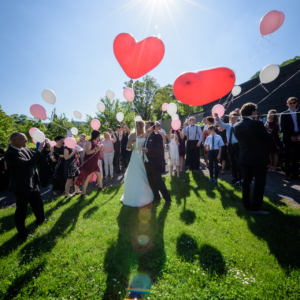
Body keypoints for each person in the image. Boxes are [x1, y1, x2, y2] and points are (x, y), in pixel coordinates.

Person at [233, 103, 273, 215]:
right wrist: (266, 129)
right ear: (252, 112)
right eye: (255, 112)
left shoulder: (236, 125)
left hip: (244, 158)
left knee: (246, 183)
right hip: (258, 159)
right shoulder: (257, 124)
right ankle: (255, 208)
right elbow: (268, 137)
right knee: (259, 183)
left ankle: (246, 205)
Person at [4, 132, 45, 239]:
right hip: (22, 186)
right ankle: (22, 233)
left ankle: (41, 219)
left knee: (38, 203)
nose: (26, 141)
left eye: (26, 139)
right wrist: (39, 151)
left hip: (32, 182)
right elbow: (28, 163)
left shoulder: (25, 148)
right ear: (14, 141)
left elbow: (36, 156)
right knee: (22, 210)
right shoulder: (10, 154)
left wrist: (44, 147)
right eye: (24, 139)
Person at [120, 120, 154, 207]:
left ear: (142, 126)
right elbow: (128, 147)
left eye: (137, 126)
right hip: (135, 156)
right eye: (135, 126)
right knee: (134, 175)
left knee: (144, 174)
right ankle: (133, 195)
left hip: (144, 156)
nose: (136, 127)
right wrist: (132, 142)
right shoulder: (132, 135)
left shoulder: (146, 135)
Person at [143, 121, 172, 207]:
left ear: (151, 127)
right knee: (151, 181)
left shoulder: (157, 136)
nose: (145, 128)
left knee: (158, 181)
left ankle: (167, 199)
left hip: (155, 163)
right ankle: (157, 198)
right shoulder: (147, 136)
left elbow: (159, 149)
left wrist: (148, 150)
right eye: (145, 126)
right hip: (147, 163)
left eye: (147, 126)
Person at [215, 111, 243, 186]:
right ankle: (235, 178)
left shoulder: (239, 125)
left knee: (238, 162)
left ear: (237, 118)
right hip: (230, 146)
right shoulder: (228, 126)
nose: (233, 119)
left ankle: (241, 179)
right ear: (229, 119)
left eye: (234, 118)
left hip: (238, 146)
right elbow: (221, 124)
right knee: (232, 162)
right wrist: (217, 118)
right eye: (231, 118)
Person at [75, 130, 105, 197]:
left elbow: (99, 152)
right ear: (96, 136)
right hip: (89, 162)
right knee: (87, 178)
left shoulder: (96, 142)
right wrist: (96, 149)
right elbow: (88, 152)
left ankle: (100, 187)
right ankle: (83, 193)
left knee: (99, 175)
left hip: (95, 162)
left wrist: (101, 148)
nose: (99, 136)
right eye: (99, 135)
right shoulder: (89, 142)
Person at [280, 97, 300, 181]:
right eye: (290, 103)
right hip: (288, 138)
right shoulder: (283, 114)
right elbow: (282, 128)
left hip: (298, 137)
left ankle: (295, 173)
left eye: (293, 102)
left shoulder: (299, 113)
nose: (292, 104)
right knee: (288, 156)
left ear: (296, 103)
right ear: (287, 105)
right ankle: (288, 174)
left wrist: (298, 136)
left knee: (297, 156)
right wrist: (291, 136)